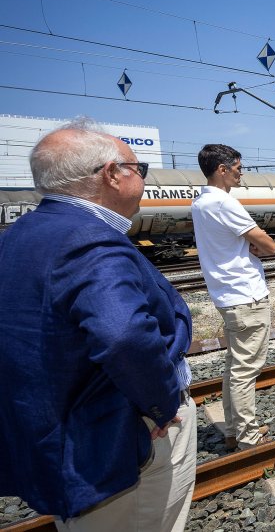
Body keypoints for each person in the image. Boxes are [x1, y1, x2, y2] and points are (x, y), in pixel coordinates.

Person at [0, 119, 195, 530]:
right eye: (138, 168)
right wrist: (161, 404)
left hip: (58, 436)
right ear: (111, 174)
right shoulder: (90, 238)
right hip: (117, 440)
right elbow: (123, 335)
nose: (142, 178)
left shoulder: (19, 235)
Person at [192, 144, 275, 451]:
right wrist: (259, 247)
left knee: (234, 367)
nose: (241, 173)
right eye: (238, 168)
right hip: (247, 295)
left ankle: (233, 429)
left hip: (227, 295)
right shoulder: (224, 203)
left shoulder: (200, 202)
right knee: (245, 370)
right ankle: (247, 436)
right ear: (222, 170)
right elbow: (268, 245)